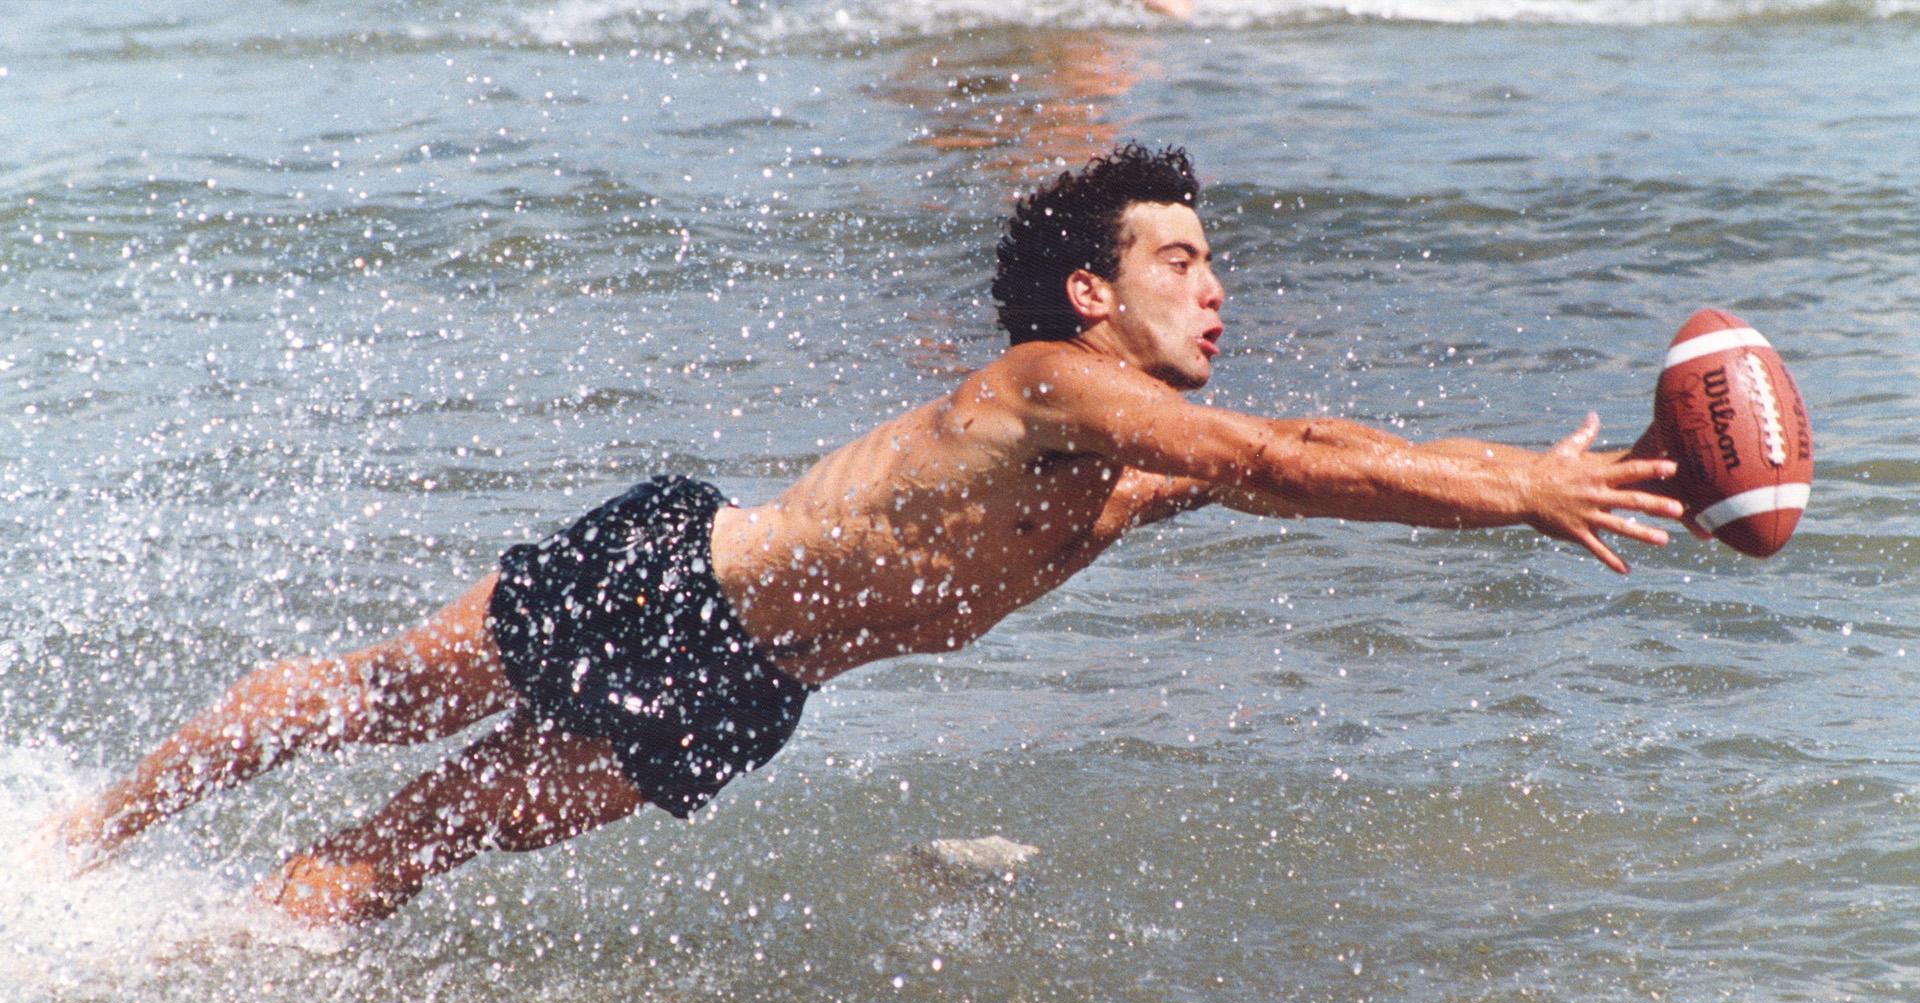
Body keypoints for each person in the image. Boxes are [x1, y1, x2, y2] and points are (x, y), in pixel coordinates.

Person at [43, 145, 1686, 925]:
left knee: (404, 856)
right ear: (1091, 293)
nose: (1218, 284)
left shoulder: (1134, 470)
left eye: (1216, 259)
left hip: (747, 693)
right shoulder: (1056, 387)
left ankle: (186, 991)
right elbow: (1281, 449)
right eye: (1181, 258)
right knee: (373, 698)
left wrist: (1535, 481)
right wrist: (1524, 494)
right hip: (668, 583)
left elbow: (1328, 461)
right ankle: (81, 843)